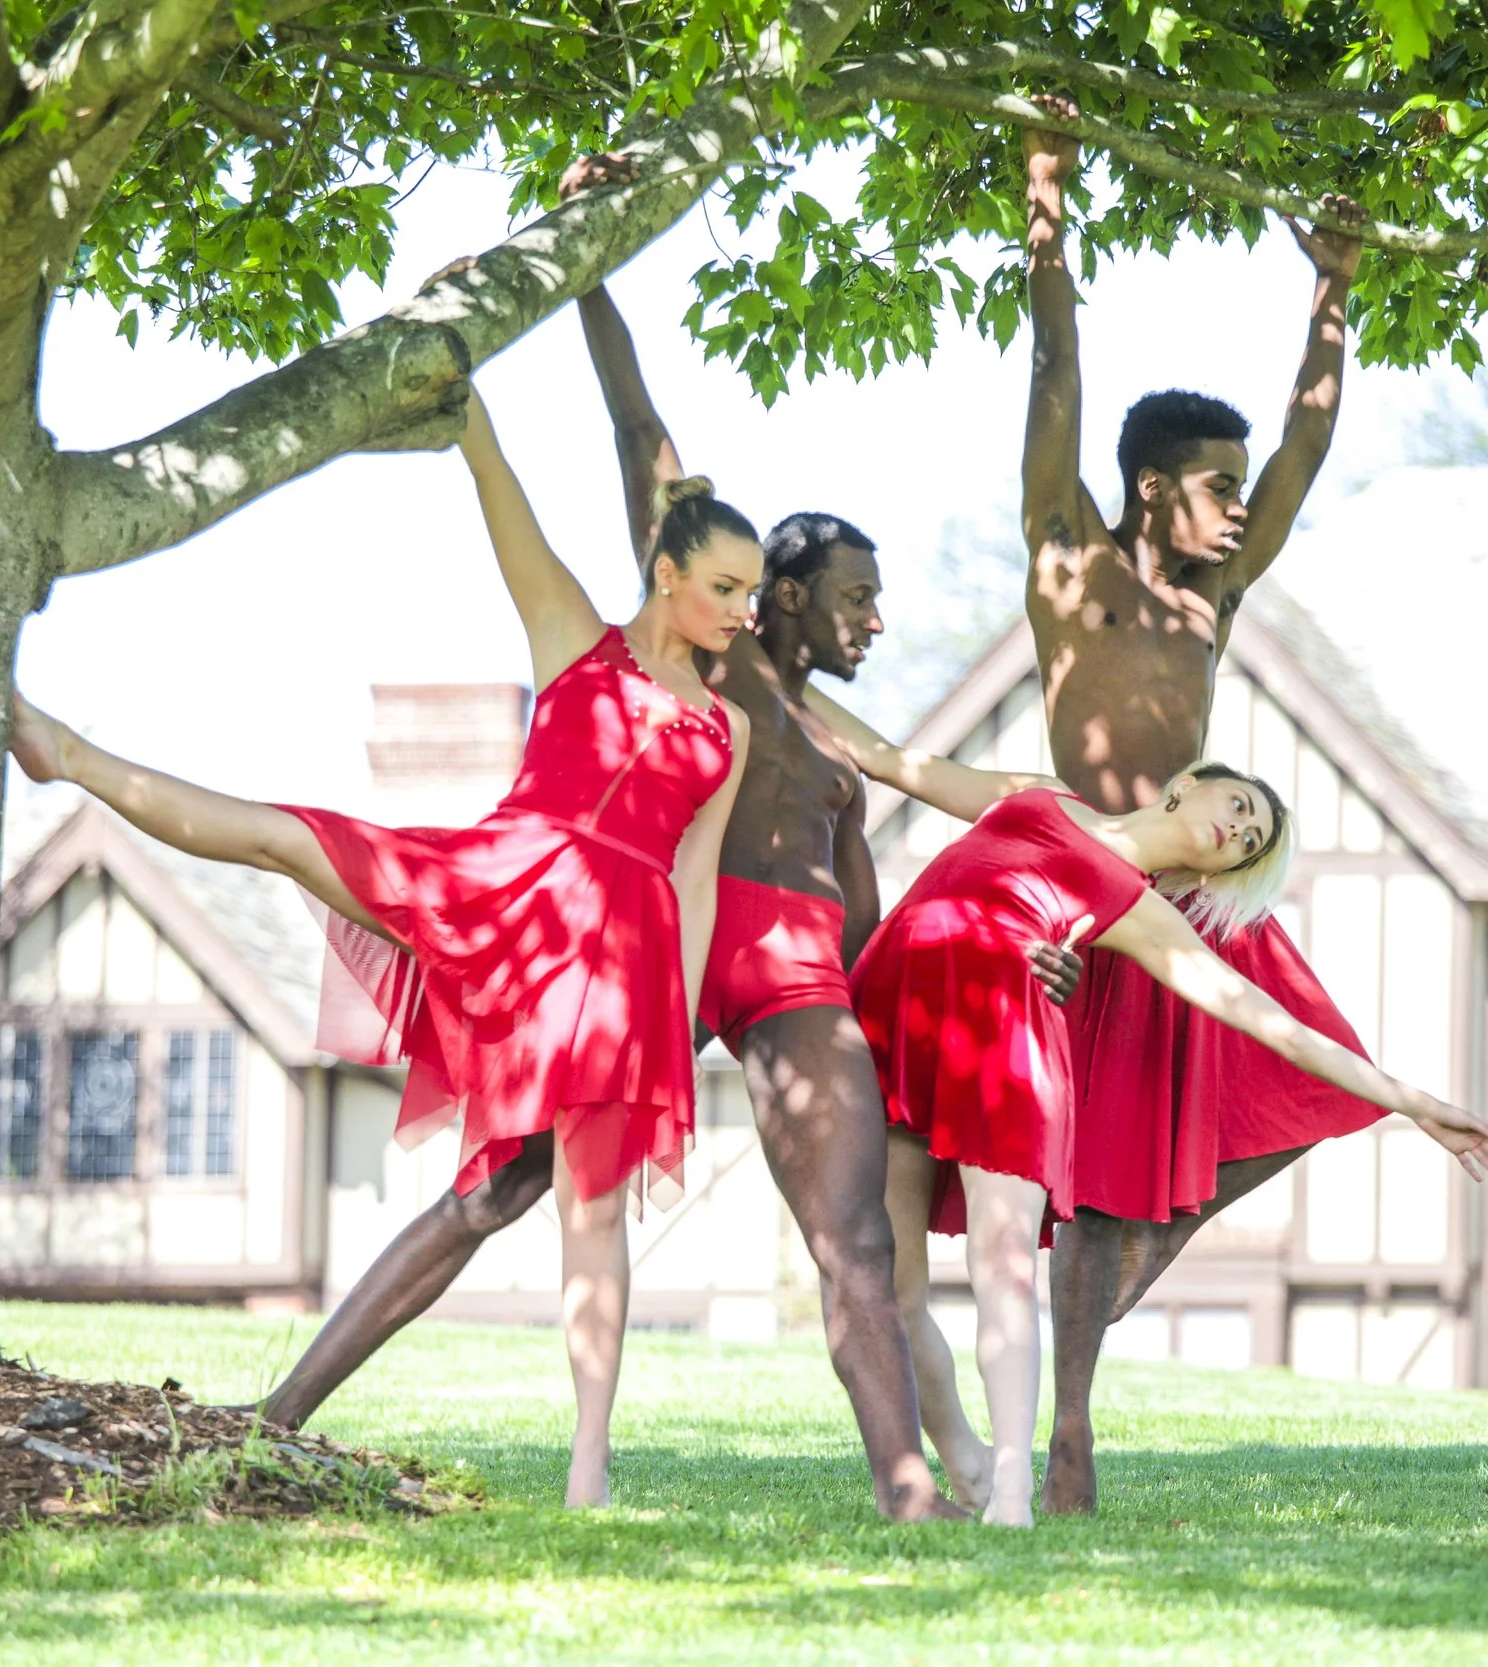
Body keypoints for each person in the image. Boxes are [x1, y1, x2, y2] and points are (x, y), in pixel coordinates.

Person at [233, 154, 1080, 1522]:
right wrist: (598, 268)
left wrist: (1011, 964)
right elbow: (644, 434)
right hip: (654, 956)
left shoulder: (840, 759)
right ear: (779, 592)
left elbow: (880, 929)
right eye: (852, 598)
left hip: (794, 982)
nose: (873, 622)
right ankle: (276, 1410)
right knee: (486, 1191)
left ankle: (910, 1484)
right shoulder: (718, 668)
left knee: (850, 1233)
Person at [7, 385, 753, 1510]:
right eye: (727, 588)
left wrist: (672, 1029)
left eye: (749, 593)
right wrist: (474, 414)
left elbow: (694, 881)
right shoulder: (574, 641)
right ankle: (68, 752)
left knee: (589, 1216)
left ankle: (588, 1468)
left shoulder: (726, 728)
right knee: (285, 838)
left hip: (620, 978)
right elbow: (504, 502)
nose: (745, 611)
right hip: (499, 892)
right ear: (668, 574)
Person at [824, 715, 1488, 1529]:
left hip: (1007, 1051)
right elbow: (898, 763)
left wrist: (1417, 1104)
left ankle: (1009, 1498)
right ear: (1189, 783)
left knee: (1002, 1265)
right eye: (1241, 806)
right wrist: (767, 674)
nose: (1239, 830)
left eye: (1248, 842)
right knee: (895, 1286)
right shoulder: (1037, 800)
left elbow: (1276, 1025)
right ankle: (971, 1468)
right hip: (894, 1024)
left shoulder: (1142, 912)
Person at [1014, 101, 1407, 1514]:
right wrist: (1049, 185)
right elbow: (1056, 363)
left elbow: (1301, 456)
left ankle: (1102, 1293)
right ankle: (1065, 1429)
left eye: (1239, 490)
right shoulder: (1066, 549)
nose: (1241, 507)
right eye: (1216, 487)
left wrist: (1333, 290)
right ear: (1147, 487)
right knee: (1079, 1180)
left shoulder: (1210, 598)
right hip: (1085, 875)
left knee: (1315, 1082)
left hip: (1197, 893)